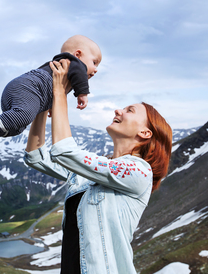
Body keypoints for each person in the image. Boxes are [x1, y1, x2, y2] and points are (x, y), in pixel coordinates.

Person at [24, 59, 172, 274]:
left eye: (129, 111)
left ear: (145, 133)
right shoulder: (90, 174)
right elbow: (36, 157)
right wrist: (43, 106)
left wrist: (59, 92)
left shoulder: (139, 171)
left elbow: (65, 152)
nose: (118, 111)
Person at [0, 35, 102, 152]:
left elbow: (52, 88)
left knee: (19, 126)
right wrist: (82, 93)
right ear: (78, 55)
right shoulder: (74, 63)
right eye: (94, 62)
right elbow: (80, 77)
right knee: (23, 116)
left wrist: (49, 104)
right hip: (27, 88)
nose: (96, 69)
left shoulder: (58, 68)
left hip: (21, 92)